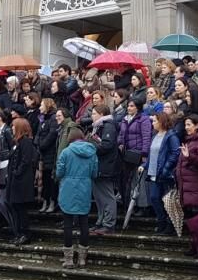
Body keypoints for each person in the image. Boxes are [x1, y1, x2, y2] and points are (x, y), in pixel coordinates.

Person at [56, 128, 98, 268]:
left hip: (68, 188)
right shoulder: (92, 152)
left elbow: (59, 171)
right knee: (84, 223)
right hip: (84, 188)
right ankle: (82, 258)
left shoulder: (66, 152)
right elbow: (94, 173)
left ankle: (68, 259)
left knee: (68, 224)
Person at [177, 114, 198, 253]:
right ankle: (195, 246)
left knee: (197, 219)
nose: (186, 128)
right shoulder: (190, 141)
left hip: (196, 187)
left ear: (197, 125)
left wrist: (189, 157)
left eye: (189, 125)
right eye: (185, 125)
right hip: (187, 187)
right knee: (191, 220)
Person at [143, 112, 181, 235]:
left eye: (154, 121)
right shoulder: (155, 135)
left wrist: (166, 168)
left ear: (161, 122)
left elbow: (175, 153)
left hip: (165, 174)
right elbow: (152, 154)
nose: (152, 123)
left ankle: (169, 225)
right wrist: (144, 166)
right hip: (154, 172)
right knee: (154, 198)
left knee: (167, 200)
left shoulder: (171, 136)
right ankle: (162, 221)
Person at [89, 104, 119, 236]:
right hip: (97, 166)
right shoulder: (98, 127)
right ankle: (100, 222)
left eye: (94, 113)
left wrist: (91, 143)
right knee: (99, 197)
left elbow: (106, 145)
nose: (92, 116)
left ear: (101, 114)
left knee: (107, 196)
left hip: (105, 166)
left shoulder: (108, 126)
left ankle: (109, 224)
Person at [7, 118, 38, 245]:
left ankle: (25, 233)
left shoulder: (26, 142)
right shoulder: (17, 142)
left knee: (21, 209)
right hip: (15, 181)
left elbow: (26, 160)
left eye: (14, 126)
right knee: (15, 208)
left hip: (21, 181)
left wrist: (17, 172)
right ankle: (18, 233)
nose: (12, 128)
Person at [118, 99, 152, 206]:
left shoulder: (143, 119)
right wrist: (119, 143)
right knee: (130, 181)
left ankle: (142, 206)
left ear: (137, 107)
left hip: (138, 154)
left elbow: (146, 137)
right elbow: (121, 135)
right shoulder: (124, 119)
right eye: (128, 106)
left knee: (139, 181)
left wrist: (144, 154)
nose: (129, 108)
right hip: (126, 154)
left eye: (132, 106)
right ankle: (130, 204)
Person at [35, 98, 60, 213]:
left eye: (41, 105)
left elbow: (52, 134)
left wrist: (42, 145)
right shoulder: (43, 119)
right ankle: (45, 200)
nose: (40, 107)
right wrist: (37, 143)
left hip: (50, 154)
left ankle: (52, 201)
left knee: (50, 180)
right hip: (43, 155)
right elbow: (38, 134)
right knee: (44, 179)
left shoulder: (53, 118)